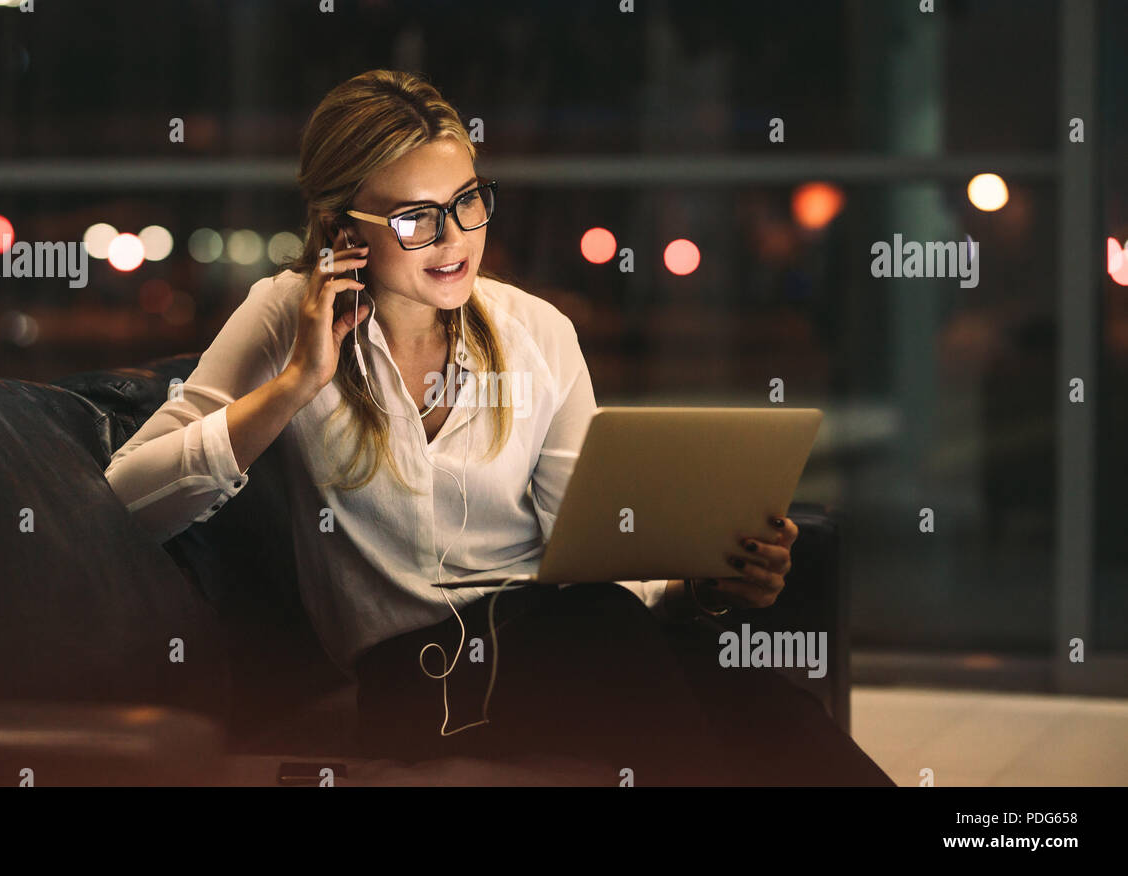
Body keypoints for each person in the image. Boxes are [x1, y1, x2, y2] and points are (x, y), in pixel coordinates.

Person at [104, 69, 893, 786]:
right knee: (626, 648)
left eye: (467, 201)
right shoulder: (284, 318)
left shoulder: (535, 331)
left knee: (764, 708)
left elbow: (594, 554)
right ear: (343, 228)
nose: (455, 239)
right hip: (418, 675)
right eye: (416, 218)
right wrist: (297, 383)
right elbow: (129, 500)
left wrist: (705, 587)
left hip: (571, 635)